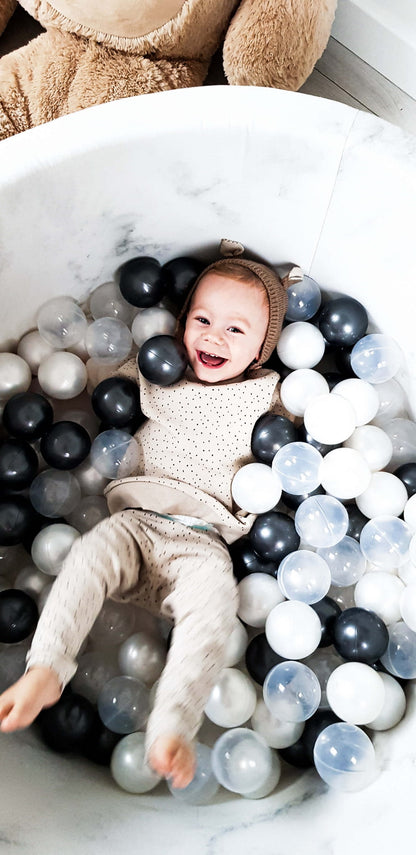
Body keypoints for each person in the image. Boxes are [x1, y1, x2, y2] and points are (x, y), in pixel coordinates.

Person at [0, 250, 297, 788]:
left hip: (202, 541)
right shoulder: (158, 369)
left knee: (214, 604)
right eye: (203, 320)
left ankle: (172, 726)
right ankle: (46, 668)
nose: (215, 337)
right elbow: (93, 377)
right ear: (182, 323)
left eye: (237, 329)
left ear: (263, 349)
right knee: (88, 555)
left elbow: (302, 430)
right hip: (135, 522)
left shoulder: (266, 393)